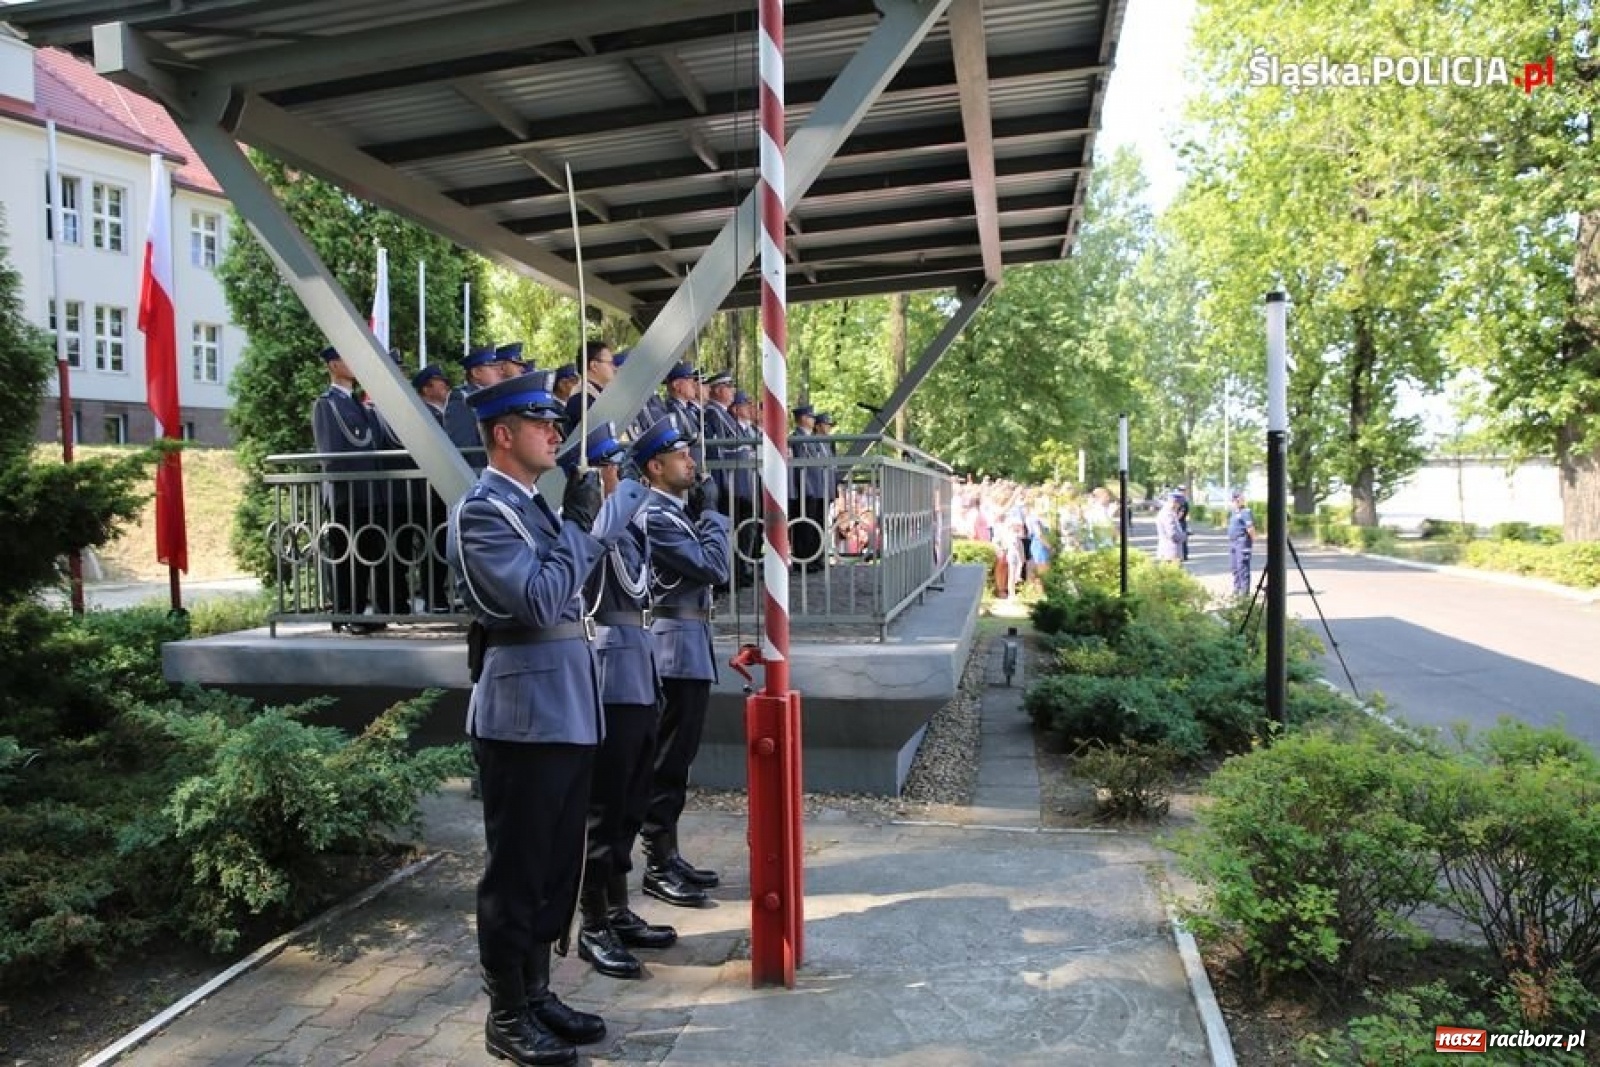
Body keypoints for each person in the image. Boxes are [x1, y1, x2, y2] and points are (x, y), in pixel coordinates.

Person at [447, 372, 647, 1067]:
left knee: (556, 867)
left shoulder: (531, 509)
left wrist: (581, 525)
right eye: (541, 422)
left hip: (565, 707)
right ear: (503, 434)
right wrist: (575, 527)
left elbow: (576, 592)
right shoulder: (482, 512)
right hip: (523, 716)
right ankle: (507, 1013)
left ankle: (535, 993)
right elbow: (538, 601)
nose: (556, 434)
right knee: (518, 871)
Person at [561, 422, 679, 980]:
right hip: (612, 674)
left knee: (631, 802)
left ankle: (617, 907)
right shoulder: (598, 525)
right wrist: (621, 492)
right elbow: (593, 561)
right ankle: (594, 925)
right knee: (604, 812)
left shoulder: (629, 527)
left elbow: (643, 583)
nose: (622, 476)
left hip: (639, 667)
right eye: (613, 467)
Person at [633, 414, 731, 908]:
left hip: (688, 640)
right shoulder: (656, 515)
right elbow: (715, 568)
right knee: (668, 760)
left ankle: (667, 854)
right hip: (672, 647)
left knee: (679, 758)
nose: (692, 462)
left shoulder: (671, 512)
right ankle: (656, 862)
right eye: (680, 455)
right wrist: (713, 516)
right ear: (655, 466)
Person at [311, 346, 389, 634]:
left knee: (369, 552)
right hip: (347, 493)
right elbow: (329, 453)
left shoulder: (358, 404)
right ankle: (347, 613)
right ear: (333, 365)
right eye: (347, 358)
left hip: (369, 493)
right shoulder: (326, 404)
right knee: (347, 555)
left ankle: (364, 613)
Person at [444, 345, 502, 454]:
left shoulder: (491, 397)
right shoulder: (462, 399)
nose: (499, 371)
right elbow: (465, 449)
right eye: (493, 367)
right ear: (476, 372)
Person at [564, 340, 616, 435]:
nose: (614, 368)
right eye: (610, 363)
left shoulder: (596, 393)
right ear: (594, 366)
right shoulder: (581, 400)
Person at [1227, 490, 1257, 596]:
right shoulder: (1233, 512)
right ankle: (1237, 588)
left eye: (1238, 499)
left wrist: (1253, 541)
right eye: (1234, 500)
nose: (1235, 502)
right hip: (1233, 542)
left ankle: (1244, 592)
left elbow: (1250, 528)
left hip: (1242, 542)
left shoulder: (1246, 512)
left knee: (1242, 567)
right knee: (1234, 567)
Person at [1155, 493, 1187, 565]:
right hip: (1170, 554)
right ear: (1174, 503)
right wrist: (1185, 535)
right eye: (1179, 504)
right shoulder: (1168, 514)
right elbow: (1173, 535)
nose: (1179, 506)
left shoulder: (1169, 513)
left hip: (1169, 554)